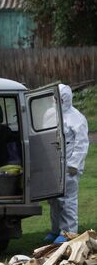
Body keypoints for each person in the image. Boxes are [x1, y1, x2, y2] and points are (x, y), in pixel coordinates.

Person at [44, 84, 89, 244]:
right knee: (54, 200)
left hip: (69, 167)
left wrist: (74, 165)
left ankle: (69, 232)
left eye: (59, 98)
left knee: (67, 200)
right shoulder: (50, 114)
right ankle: (56, 229)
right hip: (53, 166)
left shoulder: (77, 118)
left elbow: (82, 144)